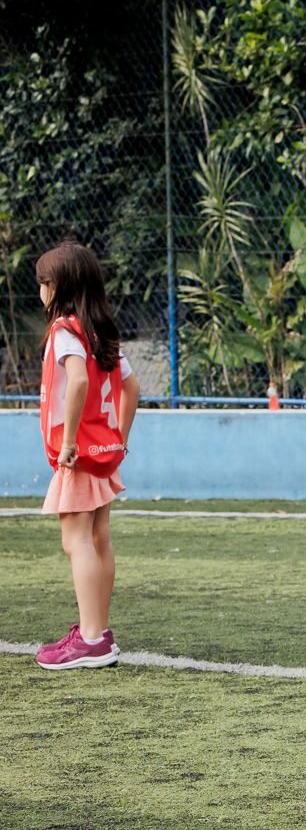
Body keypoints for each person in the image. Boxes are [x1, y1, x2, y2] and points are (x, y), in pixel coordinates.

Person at [33, 242, 140, 671]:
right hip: (104, 450)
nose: (40, 289)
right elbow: (131, 388)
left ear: (60, 286)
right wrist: (120, 438)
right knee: (98, 539)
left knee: (75, 541)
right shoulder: (101, 330)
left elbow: (76, 381)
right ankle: (97, 630)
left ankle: (92, 639)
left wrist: (71, 442)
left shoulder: (65, 330)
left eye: (44, 281)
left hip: (77, 454)